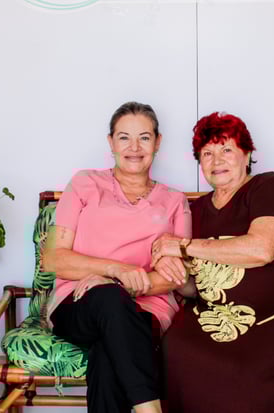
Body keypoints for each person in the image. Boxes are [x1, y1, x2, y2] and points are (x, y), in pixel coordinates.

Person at [152, 111, 274, 413]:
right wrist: (174, 272)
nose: (216, 160)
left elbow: (263, 249)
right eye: (207, 153)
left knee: (238, 371)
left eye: (226, 149)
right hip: (216, 313)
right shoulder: (196, 211)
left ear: (246, 154)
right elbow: (195, 287)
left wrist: (183, 246)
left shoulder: (268, 186)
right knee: (176, 347)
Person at [43, 101, 191, 413]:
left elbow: (174, 277)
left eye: (144, 138)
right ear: (111, 143)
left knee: (108, 351)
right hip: (78, 303)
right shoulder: (84, 183)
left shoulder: (174, 201)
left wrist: (116, 284)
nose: (134, 147)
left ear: (158, 142)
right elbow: (53, 259)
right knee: (109, 301)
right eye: (124, 137)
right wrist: (116, 270)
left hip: (147, 310)